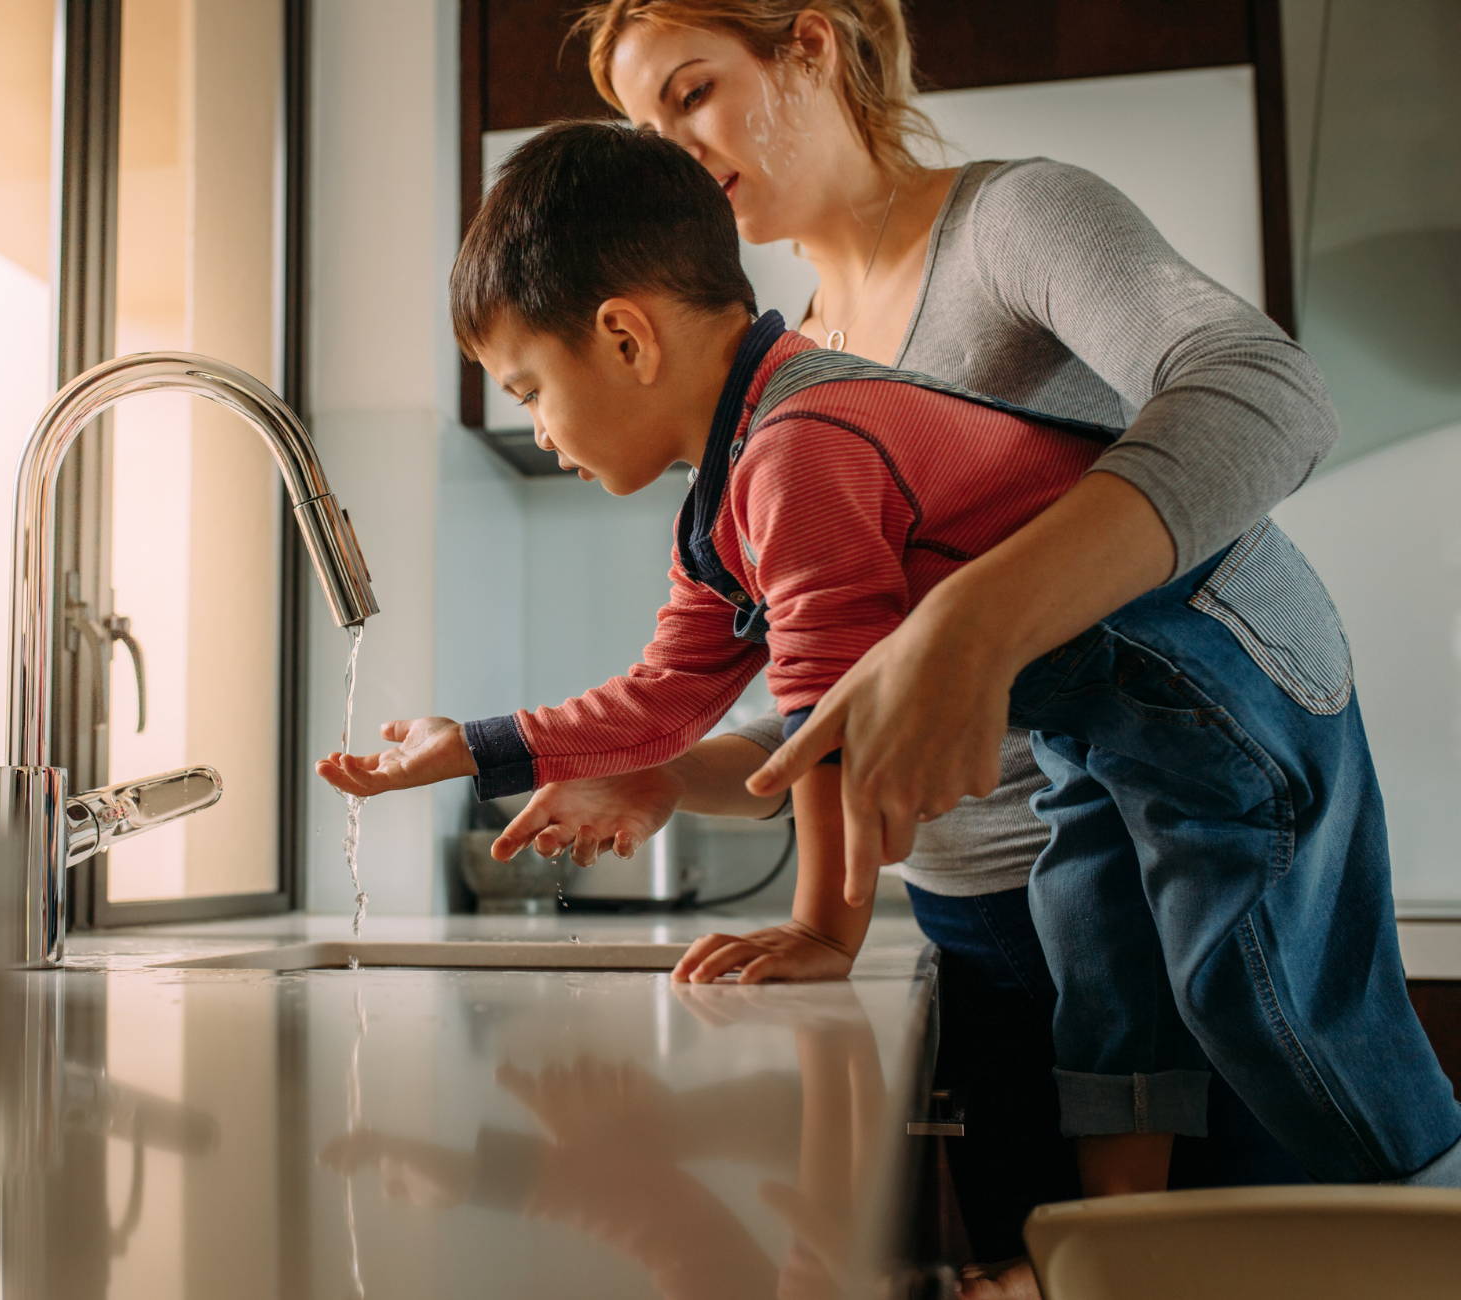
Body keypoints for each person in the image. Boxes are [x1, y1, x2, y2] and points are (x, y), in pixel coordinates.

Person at [315, 118, 1461, 1275]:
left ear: (622, 337)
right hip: (1090, 715)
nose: (539, 428)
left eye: (527, 387)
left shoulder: (798, 446)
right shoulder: (728, 485)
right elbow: (667, 698)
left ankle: (1431, 1222)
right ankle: (1116, 1253)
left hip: (1213, 666)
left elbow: (823, 731)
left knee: (1259, 1000)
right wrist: (470, 745)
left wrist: (823, 929)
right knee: (1102, 976)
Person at [487, 0, 1347, 1284]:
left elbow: (1265, 393)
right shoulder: (789, 356)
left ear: (810, 45)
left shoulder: (1011, 223)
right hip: (972, 932)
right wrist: (676, 771)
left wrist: (972, 618)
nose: (664, 151)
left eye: (689, 92)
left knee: (1207, 1265)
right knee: (1037, 1268)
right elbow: (846, 705)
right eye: (635, 125)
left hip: (1150, 904)